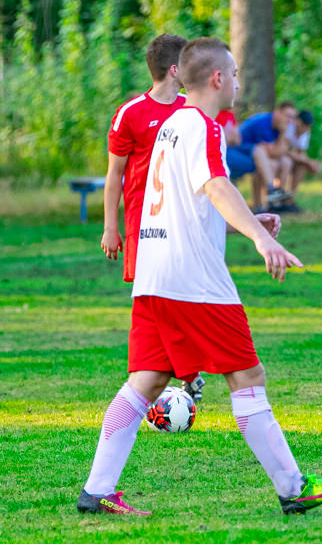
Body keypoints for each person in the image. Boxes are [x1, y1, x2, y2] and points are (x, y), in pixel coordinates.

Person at [77, 37, 322, 516]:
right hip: (194, 281)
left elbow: (198, 201)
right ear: (218, 79)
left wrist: (250, 218)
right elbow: (215, 186)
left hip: (153, 275)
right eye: (237, 74)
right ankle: (294, 487)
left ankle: (97, 490)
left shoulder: (169, 126)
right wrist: (261, 239)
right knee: (248, 376)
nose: (240, 84)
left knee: (145, 381)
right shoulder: (203, 127)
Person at [100, 33, 206, 402]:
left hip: (183, 224)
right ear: (174, 69)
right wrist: (111, 227)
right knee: (150, 301)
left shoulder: (189, 112)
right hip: (142, 228)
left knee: (179, 296)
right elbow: (115, 174)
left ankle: (179, 374)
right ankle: (179, 374)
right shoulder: (131, 113)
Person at [225, 101, 296, 211]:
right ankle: (268, 199)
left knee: (286, 161)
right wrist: (283, 133)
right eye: (288, 116)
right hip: (237, 150)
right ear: (277, 113)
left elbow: (279, 152)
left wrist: (283, 133)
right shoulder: (263, 123)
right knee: (267, 162)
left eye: (292, 118)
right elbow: (273, 153)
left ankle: (277, 201)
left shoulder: (278, 127)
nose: (290, 121)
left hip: (252, 153)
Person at [277, 109, 319, 213]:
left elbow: (301, 153)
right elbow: (283, 149)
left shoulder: (305, 133)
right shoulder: (289, 128)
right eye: (304, 126)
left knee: (301, 166)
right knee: (286, 162)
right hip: (278, 156)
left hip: (290, 158)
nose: (306, 129)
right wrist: (307, 161)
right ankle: (278, 198)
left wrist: (308, 163)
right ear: (298, 122)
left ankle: (289, 200)